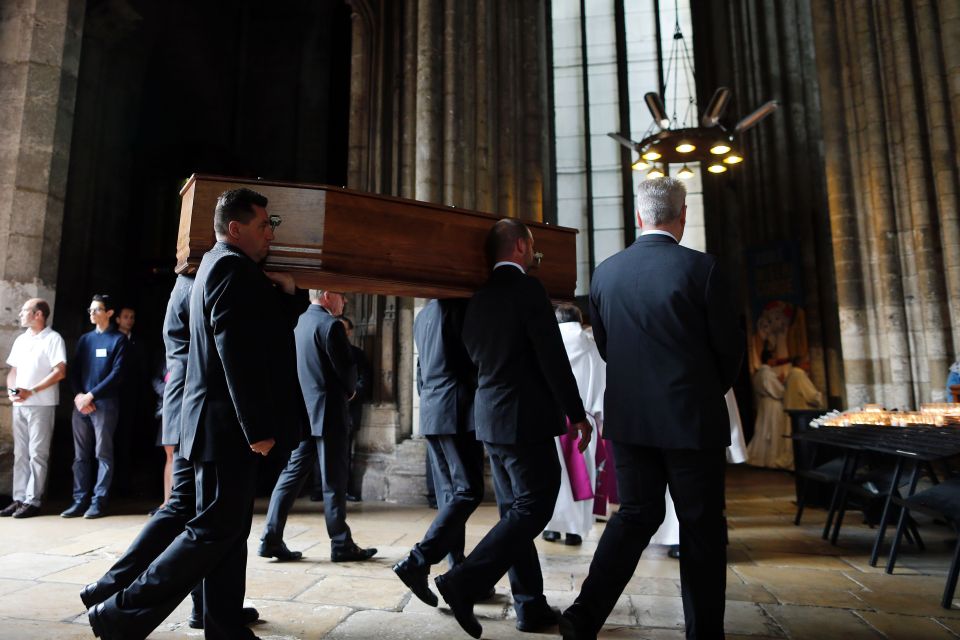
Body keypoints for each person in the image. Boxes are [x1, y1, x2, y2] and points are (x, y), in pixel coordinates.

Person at [87, 188, 308, 640]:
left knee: (225, 531)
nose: (271, 234)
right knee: (211, 530)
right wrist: (258, 428)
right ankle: (117, 612)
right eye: (264, 225)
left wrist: (291, 294)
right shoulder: (231, 268)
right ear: (235, 228)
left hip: (216, 425)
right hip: (225, 427)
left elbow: (258, 326)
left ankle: (223, 625)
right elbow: (237, 355)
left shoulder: (216, 265)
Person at [561, 177, 743, 640]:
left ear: (638, 216)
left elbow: (605, 347)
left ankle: (582, 617)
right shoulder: (703, 270)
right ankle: (704, 634)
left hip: (630, 421)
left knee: (635, 515)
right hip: (691, 420)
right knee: (700, 526)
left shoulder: (605, 273)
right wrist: (700, 390)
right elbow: (730, 352)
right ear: (683, 216)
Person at [438, 218, 591, 639]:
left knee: (515, 513)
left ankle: (529, 605)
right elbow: (552, 357)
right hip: (525, 420)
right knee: (535, 506)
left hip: (489, 419)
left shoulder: (476, 298)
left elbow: (467, 357)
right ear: (522, 246)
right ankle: (462, 581)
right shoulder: (528, 290)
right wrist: (576, 413)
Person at [80, 272, 258, 631]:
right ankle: (121, 598)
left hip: (185, 408)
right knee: (208, 516)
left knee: (189, 509)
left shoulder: (186, 282)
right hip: (201, 411)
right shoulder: (210, 278)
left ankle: (199, 606)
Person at [258, 290, 377, 563]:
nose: (344, 301)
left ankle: (270, 538)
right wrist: (350, 391)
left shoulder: (298, 323)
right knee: (335, 480)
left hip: (304, 413)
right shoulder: (331, 325)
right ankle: (341, 544)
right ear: (326, 295)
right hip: (330, 412)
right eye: (341, 297)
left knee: (291, 476)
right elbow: (346, 369)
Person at [393, 298, 483, 606]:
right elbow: (469, 361)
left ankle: (456, 570)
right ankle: (418, 561)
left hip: (432, 409)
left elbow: (421, 369)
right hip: (456, 408)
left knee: (451, 495)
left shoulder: (425, 313)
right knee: (469, 491)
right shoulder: (458, 307)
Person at [652, 389, 749, 559]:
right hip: (665, 427)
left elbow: (725, 393)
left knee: (700, 494)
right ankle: (675, 537)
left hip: (699, 427)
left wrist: (734, 446)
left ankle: (689, 539)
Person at [542, 303, 605, 547]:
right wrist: (600, 417)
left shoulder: (547, 342)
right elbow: (601, 382)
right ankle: (575, 531)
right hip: (583, 421)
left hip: (550, 418)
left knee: (551, 477)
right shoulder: (591, 345)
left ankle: (550, 528)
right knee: (583, 475)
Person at [1, 299, 67, 519]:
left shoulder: (53, 339)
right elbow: (13, 372)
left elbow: (60, 371)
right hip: (20, 404)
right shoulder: (21, 340)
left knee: (37, 453)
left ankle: (33, 500)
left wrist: (32, 390)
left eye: (25, 311)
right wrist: (13, 392)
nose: (20, 314)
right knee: (20, 453)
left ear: (38, 314)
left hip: (42, 404)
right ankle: (18, 498)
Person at [63, 293, 126, 519]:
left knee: (103, 453)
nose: (92, 313)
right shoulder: (85, 340)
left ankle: (98, 501)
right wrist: (80, 395)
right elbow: (75, 370)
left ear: (109, 313)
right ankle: (79, 500)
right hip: (82, 404)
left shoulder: (118, 340)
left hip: (104, 404)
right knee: (80, 455)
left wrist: (91, 395)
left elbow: (117, 374)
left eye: (97, 309)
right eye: (90, 309)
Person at [340, 315, 371, 501]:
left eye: (344, 329)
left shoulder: (357, 354)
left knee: (344, 452)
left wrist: (350, 395)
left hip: (349, 409)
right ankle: (318, 489)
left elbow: (364, 381)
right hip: (326, 408)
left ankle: (346, 489)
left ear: (350, 332)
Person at [746, 349, 792, 469]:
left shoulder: (759, 373)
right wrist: (782, 384)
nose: (775, 360)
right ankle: (771, 459)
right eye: (774, 358)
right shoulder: (767, 373)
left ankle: (761, 458)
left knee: (764, 429)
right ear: (769, 359)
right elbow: (777, 390)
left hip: (764, 404)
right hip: (772, 404)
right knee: (772, 429)